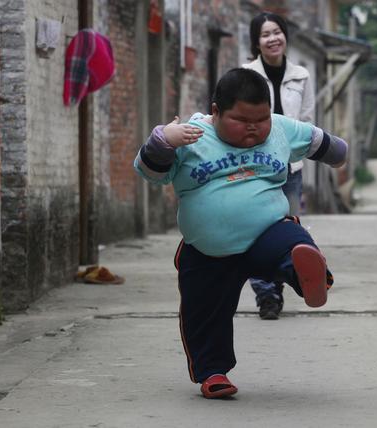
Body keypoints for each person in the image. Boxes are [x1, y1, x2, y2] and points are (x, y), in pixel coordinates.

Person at [133, 68, 347, 399]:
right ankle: (213, 373)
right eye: (242, 119)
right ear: (216, 111)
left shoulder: (278, 128)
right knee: (203, 313)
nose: (254, 127)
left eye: (261, 119)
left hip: (266, 232)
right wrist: (162, 142)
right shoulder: (190, 136)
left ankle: (310, 278)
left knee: (292, 240)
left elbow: (321, 143)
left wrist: (337, 153)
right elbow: (150, 173)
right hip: (209, 252)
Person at [242, 12, 315, 320]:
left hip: (290, 168)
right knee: (256, 229)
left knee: (285, 230)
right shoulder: (245, 75)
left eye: (277, 32)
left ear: (285, 36)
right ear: (256, 42)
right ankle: (266, 294)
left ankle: (278, 285)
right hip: (256, 167)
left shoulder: (302, 75)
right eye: (265, 34)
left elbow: (307, 121)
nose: (272, 38)